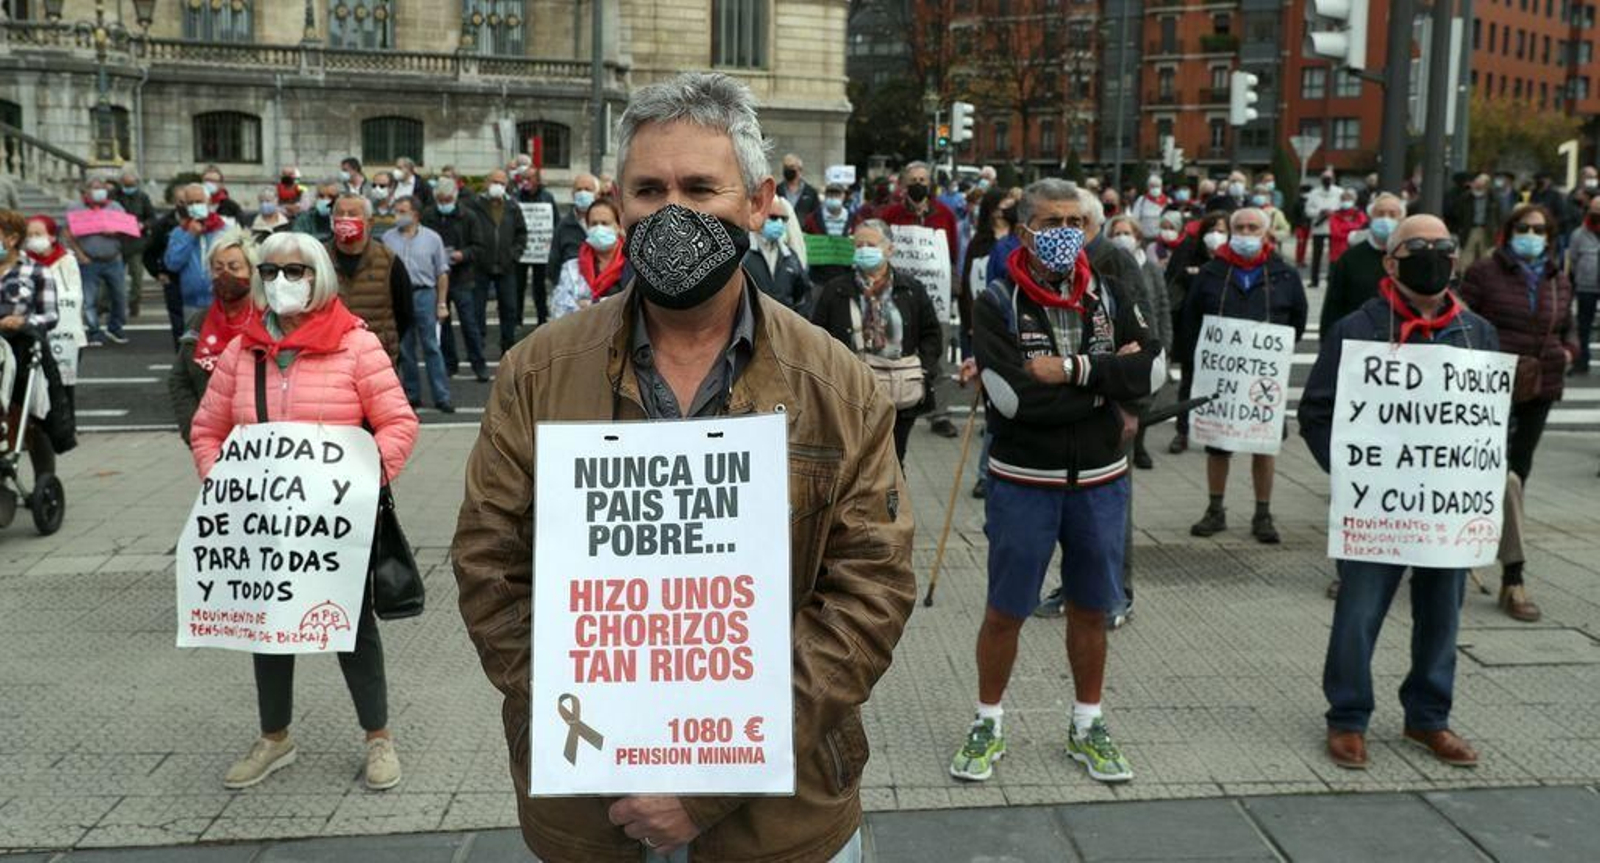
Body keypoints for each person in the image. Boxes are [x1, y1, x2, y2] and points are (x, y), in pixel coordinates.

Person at [451, 71, 912, 863]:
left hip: (780, 822)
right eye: (648, 189)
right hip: (594, 811)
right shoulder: (537, 373)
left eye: (700, 188)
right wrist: (607, 732)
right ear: (616, 203)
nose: (673, 212)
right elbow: (489, 566)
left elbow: (869, 593)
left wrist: (712, 776)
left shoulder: (836, 385)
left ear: (758, 203)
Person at [188, 230, 418, 793]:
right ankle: (274, 737)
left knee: (350, 626)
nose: (280, 282)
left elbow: (398, 423)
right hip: (264, 523)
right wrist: (224, 484)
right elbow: (207, 429)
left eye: (295, 271)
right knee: (267, 627)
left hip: (334, 524)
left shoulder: (356, 345)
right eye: (269, 272)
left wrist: (362, 483)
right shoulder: (243, 350)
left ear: (320, 277)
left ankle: (378, 737)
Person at [950, 178, 1161, 786]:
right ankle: (988, 719)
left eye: (1076, 223)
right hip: (1023, 482)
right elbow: (1014, 400)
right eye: (1051, 223)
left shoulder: (1112, 291)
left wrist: (1070, 370)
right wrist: (1106, 385)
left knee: (1091, 608)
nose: (1066, 233)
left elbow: (1151, 372)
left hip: (1100, 481)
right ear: (1024, 232)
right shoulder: (997, 301)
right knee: (1006, 610)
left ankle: (1087, 723)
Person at [1299, 214, 1492, 771]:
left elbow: (1487, 417)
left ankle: (1428, 717)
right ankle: (1347, 717)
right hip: (1377, 505)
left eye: (1443, 246)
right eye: (1418, 246)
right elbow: (1316, 412)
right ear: (1391, 261)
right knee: (1359, 612)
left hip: (1444, 506)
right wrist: (1351, 474)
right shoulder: (1356, 330)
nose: (1433, 254)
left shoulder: (1476, 331)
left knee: (1442, 613)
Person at [1457, 204, 1577, 623]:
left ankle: (1510, 573)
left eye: (1539, 230)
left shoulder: (1557, 277)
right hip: (1491, 387)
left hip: (1540, 384)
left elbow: (1567, 325)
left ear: (1550, 236)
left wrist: (1568, 351)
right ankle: (1507, 572)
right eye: (1524, 228)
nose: (1531, 235)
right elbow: (1462, 320)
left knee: (1518, 474)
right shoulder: (1484, 272)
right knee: (1494, 474)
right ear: (1509, 231)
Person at [1181, 207, 1308, 543]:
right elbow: (1191, 319)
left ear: (1265, 234)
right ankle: (1215, 510)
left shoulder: (1284, 274)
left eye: (1253, 228)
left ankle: (1262, 514)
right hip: (1221, 376)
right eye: (1240, 227)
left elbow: (1297, 319)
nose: (1246, 233)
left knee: (1264, 445)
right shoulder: (1212, 272)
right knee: (1217, 445)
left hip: (1262, 378)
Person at [809, 220, 942, 463]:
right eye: (859, 245)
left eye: (871, 245)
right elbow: (817, 337)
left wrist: (923, 370)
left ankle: (893, 488)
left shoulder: (911, 289)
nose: (863, 250)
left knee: (893, 460)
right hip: (850, 392)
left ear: (889, 249)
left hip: (899, 391)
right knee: (855, 461)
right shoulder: (836, 289)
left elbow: (931, 334)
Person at [167, 228, 259, 444]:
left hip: (260, 441)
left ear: (252, 271)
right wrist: (194, 431)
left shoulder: (268, 320)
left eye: (234, 267)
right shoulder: (199, 322)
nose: (225, 275)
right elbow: (179, 380)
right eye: (218, 268)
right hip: (212, 440)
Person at [1105, 214, 1173, 470]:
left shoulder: (1150, 268)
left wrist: (1165, 343)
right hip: (1124, 341)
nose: (1122, 238)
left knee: (1146, 397)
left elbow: (1162, 306)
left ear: (1138, 237)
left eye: (1127, 233)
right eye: (1116, 233)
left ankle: (1140, 445)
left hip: (1150, 338)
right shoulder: (1110, 264)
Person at [1, 209, 60, 477]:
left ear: (12, 239)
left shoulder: (36, 272)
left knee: (33, 415)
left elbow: (51, 316)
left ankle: (44, 478)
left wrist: (23, 321)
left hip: (22, 350)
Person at [1165, 211, 1230, 454]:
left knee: (1222, 385)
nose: (1216, 235)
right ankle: (1182, 432)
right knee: (1188, 383)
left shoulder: (1232, 260)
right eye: (1212, 230)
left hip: (1226, 335)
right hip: (1193, 331)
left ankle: (1218, 434)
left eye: (1222, 231)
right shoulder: (1188, 252)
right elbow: (1173, 282)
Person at [382, 196, 453, 413]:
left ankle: (442, 396)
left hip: (425, 294)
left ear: (415, 214)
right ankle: (412, 395)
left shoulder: (432, 238)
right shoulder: (388, 238)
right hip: (399, 296)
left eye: (403, 211)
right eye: (396, 210)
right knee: (405, 348)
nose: (398, 215)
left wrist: (442, 303)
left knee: (431, 346)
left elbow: (441, 272)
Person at [328, 192, 410, 363]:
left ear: (369, 222)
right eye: (340, 214)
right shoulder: (318, 258)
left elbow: (404, 311)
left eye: (352, 214)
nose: (345, 219)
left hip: (376, 357)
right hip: (331, 354)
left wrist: (386, 341)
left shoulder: (388, 260)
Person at [422, 178, 490, 382]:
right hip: (437, 276)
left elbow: (479, 246)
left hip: (462, 276)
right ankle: (450, 363)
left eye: (447, 200)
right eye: (440, 200)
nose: (444, 204)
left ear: (455, 197)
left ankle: (479, 364)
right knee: (443, 324)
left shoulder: (468, 216)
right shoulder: (428, 216)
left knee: (469, 323)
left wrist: (463, 254)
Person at [467, 168, 529, 355]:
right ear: (487, 183)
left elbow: (521, 233)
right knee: (477, 309)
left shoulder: (513, 207)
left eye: (502, 183)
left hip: (506, 266)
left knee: (509, 308)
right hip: (480, 266)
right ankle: (478, 347)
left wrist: (514, 255)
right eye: (495, 182)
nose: (498, 186)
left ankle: (507, 347)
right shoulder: (474, 205)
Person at [1323, 193, 1404, 335]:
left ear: (1401, 220)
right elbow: (1333, 305)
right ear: (1370, 218)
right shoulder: (1350, 258)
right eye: (1380, 214)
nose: (1386, 219)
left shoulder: (1409, 258)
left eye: (1392, 215)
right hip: (1357, 337)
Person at [64, 177, 130, 346]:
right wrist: (80, 255)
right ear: (85, 191)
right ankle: (94, 331)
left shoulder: (115, 207)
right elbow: (68, 234)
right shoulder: (75, 208)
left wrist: (115, 232)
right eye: (94, 188)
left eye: (101, 187)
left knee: (119, 296)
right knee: (89, 300)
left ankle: (115, 327)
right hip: (89, 260)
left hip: (113, 259)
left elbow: (127, 228)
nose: (98, 191)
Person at [22, 217, 84, 396]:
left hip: (66, 333)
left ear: (52, 236)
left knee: (63, 389)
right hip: (32, 333)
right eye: (29, 235)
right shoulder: (23, 262)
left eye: (38, 234)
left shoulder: (67, 260)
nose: (33, 239)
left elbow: (76, 295)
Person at [163, 182, 235, 332]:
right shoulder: (179, 232)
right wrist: (190, 235)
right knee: (193, 342)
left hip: (220, 301)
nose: (195, 206)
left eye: (199, 202)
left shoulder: (224, 230)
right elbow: (172, 264)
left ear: (208, 202)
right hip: (191, 303)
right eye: (191, 203)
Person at [549, 197, 626, 320]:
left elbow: (635, 306)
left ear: (618, 227)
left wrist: (592, 304)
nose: (599, 228)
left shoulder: (633, 265)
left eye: (605, 223)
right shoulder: (572, 268)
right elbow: (559, 309)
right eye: (594, 224)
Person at [743, 196, 812, 313]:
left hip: (783, 322)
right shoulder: (743, 254)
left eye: (783, 219)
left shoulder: (790, 257)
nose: (779, 223)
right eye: (773, 217)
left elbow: (802, 295)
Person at [112, 167, 155, 318]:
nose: (129, 188)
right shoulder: (113, 197)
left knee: (137, 277)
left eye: (131, 185)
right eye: (126, 185)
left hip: (136, 243)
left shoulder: (143, 197)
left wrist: (143, 225)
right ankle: (109, 305)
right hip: (117, 243)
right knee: (114, 277)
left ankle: (134, 303)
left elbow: (152, 218)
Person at [1567, 195, 1600, 375]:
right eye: (1595, 210)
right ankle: (1581, 361)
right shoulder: (1579, 234)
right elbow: (1573, 259)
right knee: (1583, 326)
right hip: (1586, 286)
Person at [550, 171, 600, 270]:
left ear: (597, 194)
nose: (583, 193)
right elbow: (554, 261)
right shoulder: (563, 226)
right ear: (573, 194)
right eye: (579, 189)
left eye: (587, 189)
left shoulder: (606, 222)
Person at [1449, 174, 1502, 268]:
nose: (1478, 184)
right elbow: (1458, 213)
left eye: (1481, 183)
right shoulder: (1466, 197)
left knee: (1486, 256)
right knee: (1466, 256)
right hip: (1470, 228)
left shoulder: (1493, 198)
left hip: (1486, 230)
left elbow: (1498, 215)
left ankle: (1485, 275)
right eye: (1477, 182)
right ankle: (1465, 274)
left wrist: (1496, 228)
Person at [1304, 170, 1342, 288]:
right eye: (1325, 178)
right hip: (1319, 227)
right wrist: (1319, 212)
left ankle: (1332, 279)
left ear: (1333, 179)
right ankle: (1314, 280)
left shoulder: (1339, 192)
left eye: (1329, 178)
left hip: (1334, 227)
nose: (1327, 180)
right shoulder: (1314, 193)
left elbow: (1343, 209)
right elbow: (1308, 210)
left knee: (1334, 256)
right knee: (1316, 256)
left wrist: (1333, 212)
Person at [1327, 187, 1368, 265]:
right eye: (1344, 199)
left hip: (1355, 253)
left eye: (1348, 199)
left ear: (1354, 201)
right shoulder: (1335, 215)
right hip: (1337, 254)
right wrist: (1352, 231)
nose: (1346, 201)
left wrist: (1345, 228)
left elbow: (1362, 231)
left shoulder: (1360, 214)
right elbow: (1336, 233)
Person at [779, 152, 821, 224]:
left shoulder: (811, 193)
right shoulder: (776, 191)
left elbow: (816, 217)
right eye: (785, 167)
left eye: (791, 167)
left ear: (800, 169)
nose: (788, 170)